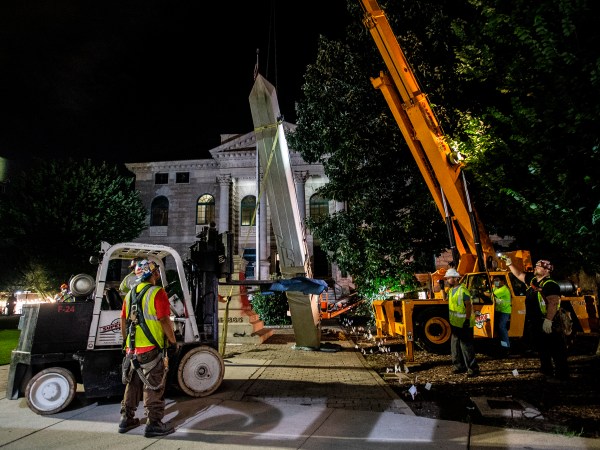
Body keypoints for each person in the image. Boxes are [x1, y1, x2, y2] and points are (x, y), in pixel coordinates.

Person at [119, 259, 177, 437]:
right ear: (151, 274)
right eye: (156, 272)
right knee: (153, 386)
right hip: (151, 349)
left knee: (133, 384)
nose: (158, 275)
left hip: (132, 349)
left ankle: (126, 419)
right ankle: (154, 423)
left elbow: (123, 319)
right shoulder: (157, 292)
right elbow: (163, 319)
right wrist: (172, 341)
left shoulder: (129, 295)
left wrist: (127, 343)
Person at [505, 257, 568, 382]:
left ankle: (562, 375)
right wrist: (510, 264)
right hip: (536, 322)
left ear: (547, 270)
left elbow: (553, 303)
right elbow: (519, 275)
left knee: (556, 349)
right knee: (542, 348)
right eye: (536, 266)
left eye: (539, 267)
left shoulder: (550, 284)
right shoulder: (533, 280)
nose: (536, 268)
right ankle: (547, 371)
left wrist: (548, 320)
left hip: (549, 321)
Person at [440, 268, 480, 377]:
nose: (448, 280)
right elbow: (445, 299)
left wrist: (467, 320)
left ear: (456, 278)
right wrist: (442, 288)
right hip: (455, 324)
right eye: (447, 278)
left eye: (449, 278)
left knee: (466, 347)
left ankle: (473, 369)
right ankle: (458, 366)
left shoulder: (463, 290)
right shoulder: (451, 290)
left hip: (464, 324)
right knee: (455, 346)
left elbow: (468, 305)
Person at [492, 275, 512, 357]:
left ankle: (506, 347)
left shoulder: (503, 289)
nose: (495, 282)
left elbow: (491, 295)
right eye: (494, 280)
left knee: (501, 328)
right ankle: (501, 346)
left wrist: (481, 293)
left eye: (497, 280)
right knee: (498, 329)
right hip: (498, 311)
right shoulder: (496, 288)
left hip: (504, 311)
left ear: (502, 281)